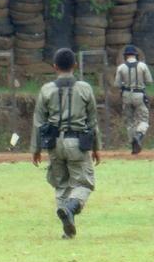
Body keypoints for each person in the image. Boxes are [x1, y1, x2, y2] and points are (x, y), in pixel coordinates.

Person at [31, 48, 101, 239]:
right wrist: (96, 148)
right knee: (84, 184)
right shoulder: (85, 88)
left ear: (55, 67)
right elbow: (92, 121)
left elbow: (38, 122)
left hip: (54, 144)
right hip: (78, 143)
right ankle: (71, 208)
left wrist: (36, 149)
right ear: (75, 66)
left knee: (61, 185)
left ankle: (67, 229)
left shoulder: (46, 90)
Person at [114, 45, 153, 154]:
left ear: (125, 56)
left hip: (126, 95)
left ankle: (133, 146)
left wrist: (124, 84)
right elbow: (149, 81)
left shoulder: (121, 67)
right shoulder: (142, 66)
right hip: (139, 94)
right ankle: (139, 135)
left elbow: (116, 84)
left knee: (129, 121)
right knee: (143, 119)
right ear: (136, 55)